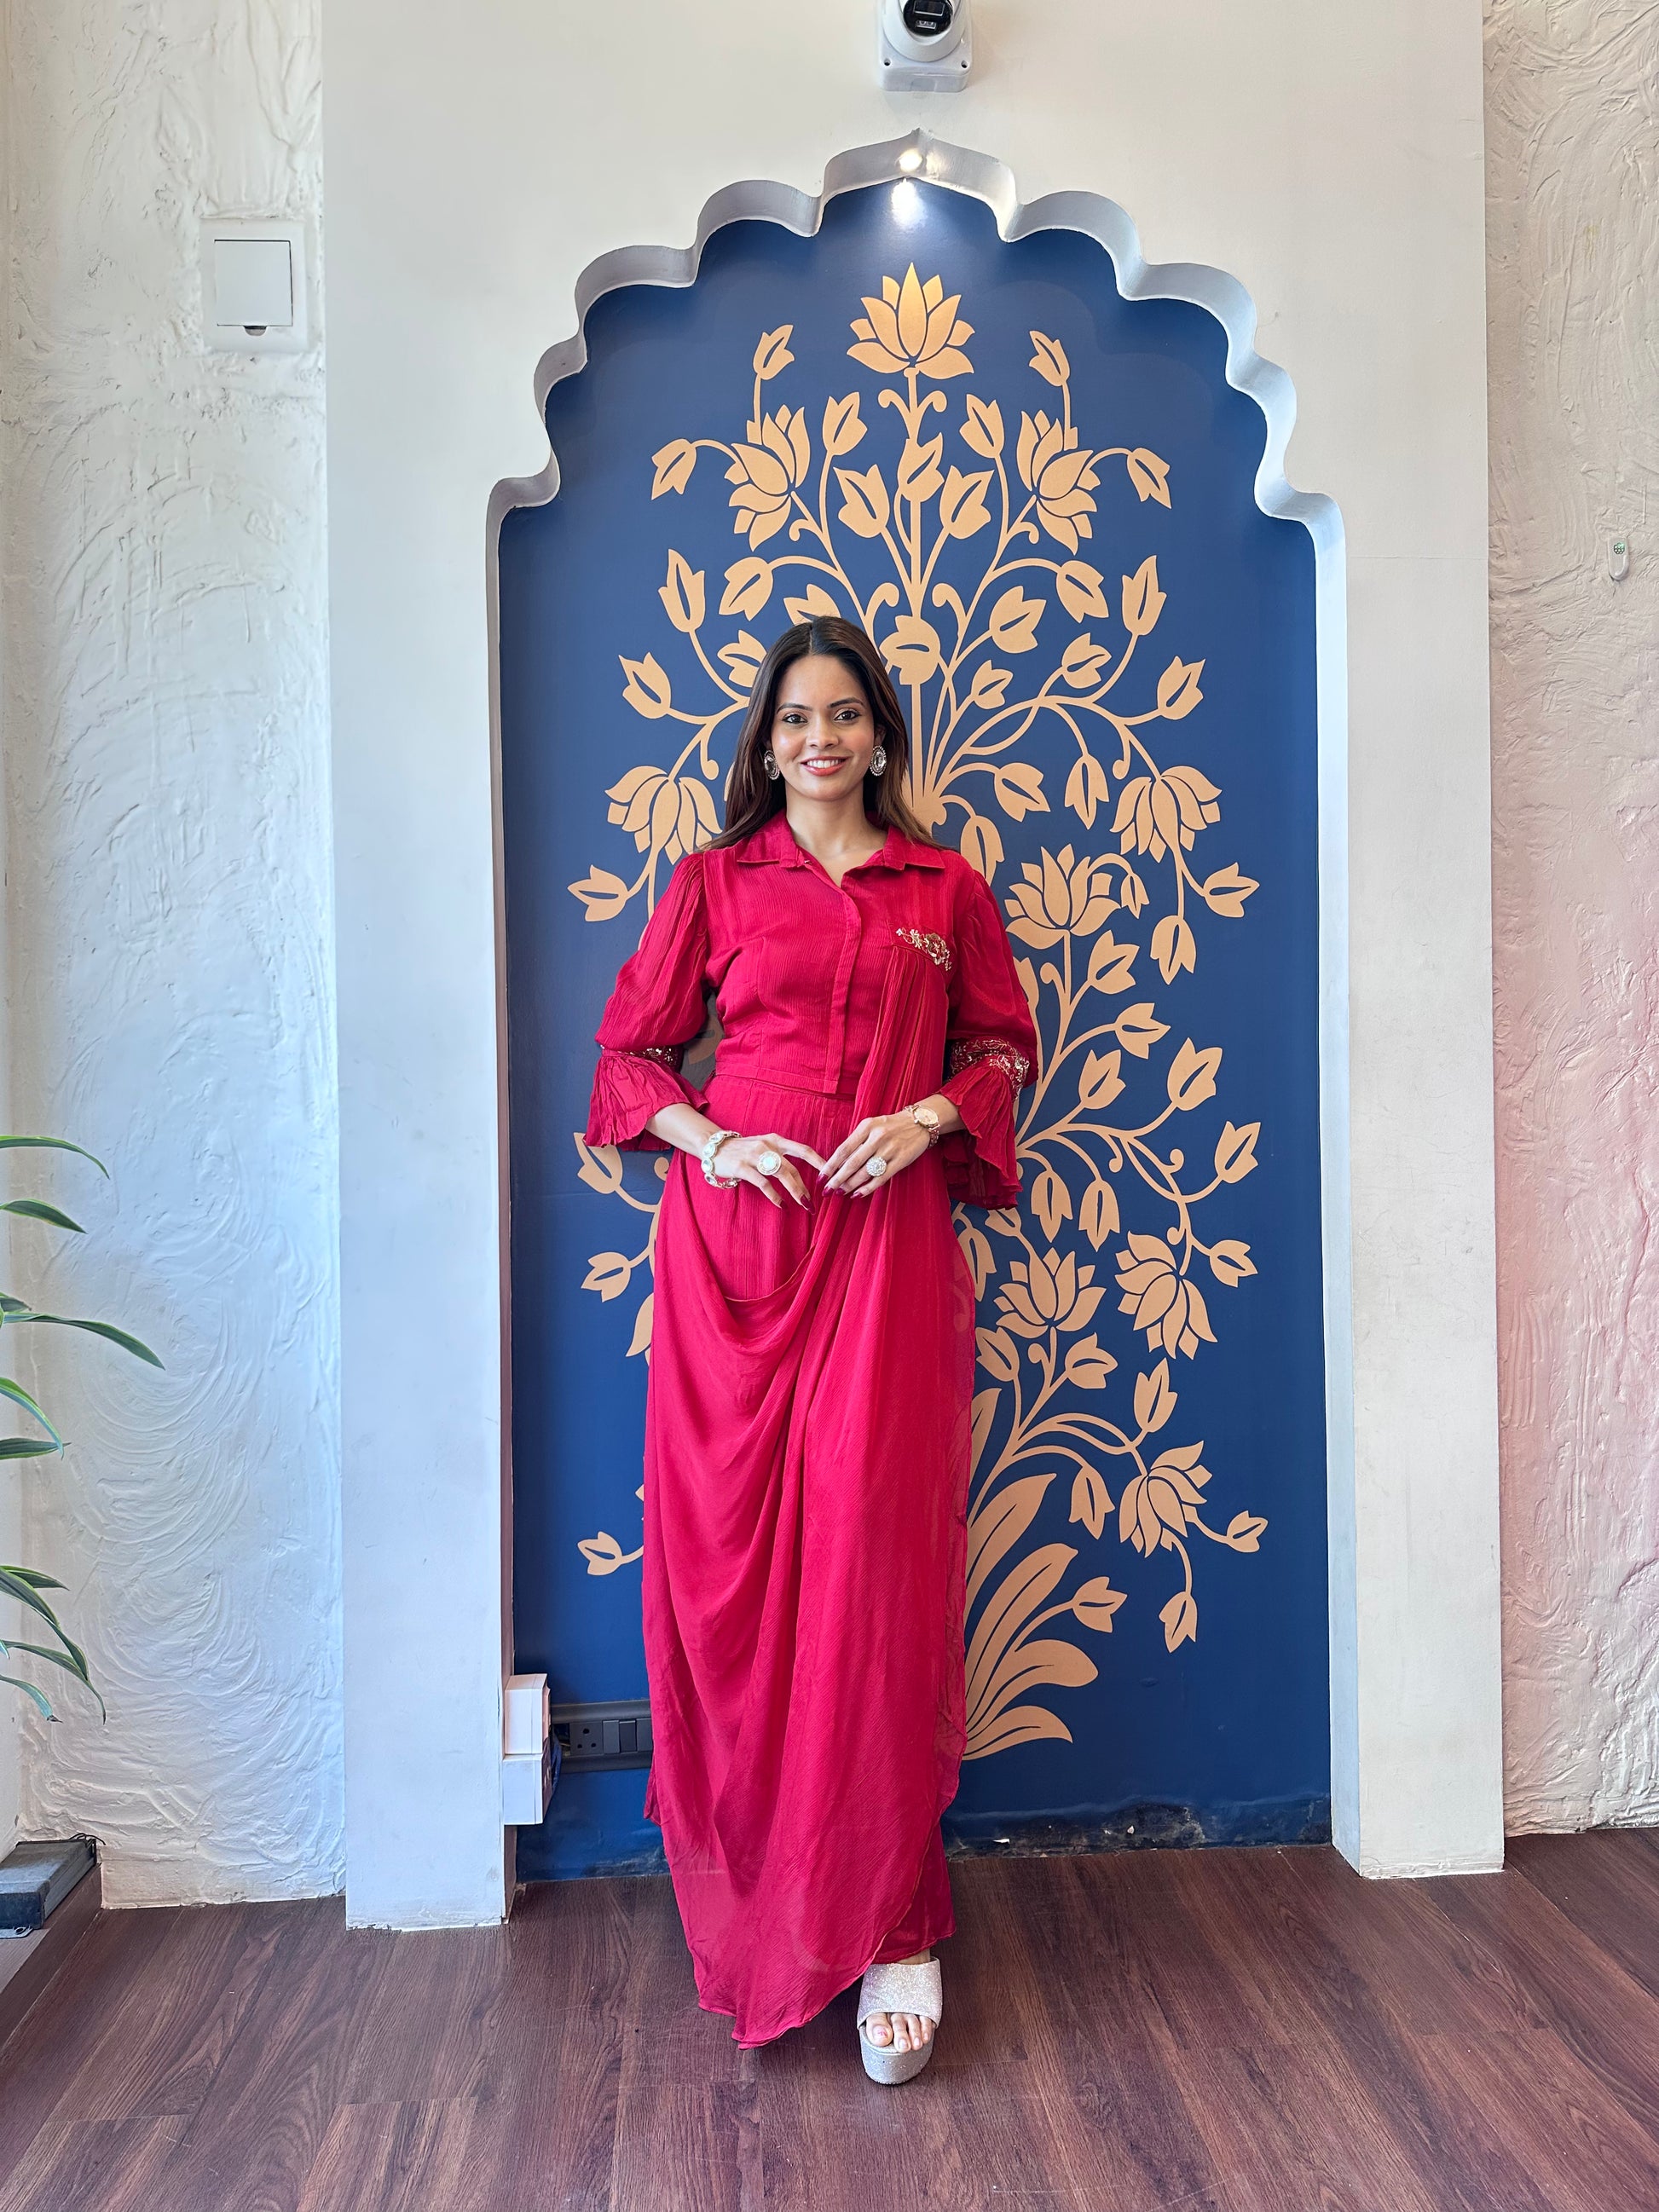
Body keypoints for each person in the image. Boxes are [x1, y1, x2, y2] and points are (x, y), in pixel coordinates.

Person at [583, 616, 1037, 2082]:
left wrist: (924, 1118)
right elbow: (627, 1061)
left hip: (885, 1247)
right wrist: (714, 1141)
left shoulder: (943, 889)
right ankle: (763, 1893)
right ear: (766, 742)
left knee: (871, 1564)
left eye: (843, 714)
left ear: (879, 734)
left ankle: (890, 1920)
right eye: (795, 718)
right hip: (734, 1255)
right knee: (730, 1571)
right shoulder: (712, 883)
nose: (820, 739)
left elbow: (1002, 1050)